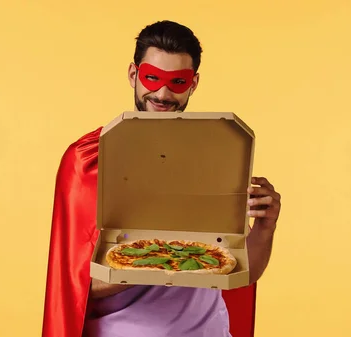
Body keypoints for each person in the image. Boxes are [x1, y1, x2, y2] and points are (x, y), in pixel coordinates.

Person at [41, 20, 281, 337]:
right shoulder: (87, 160)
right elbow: (74, 288)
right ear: (132, 75)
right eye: (152, 78)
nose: (163, 93)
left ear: (194, 83)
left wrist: (267, 224)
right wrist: (157, 261)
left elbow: (243, 271)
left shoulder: (215, 154)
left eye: (178, 82)